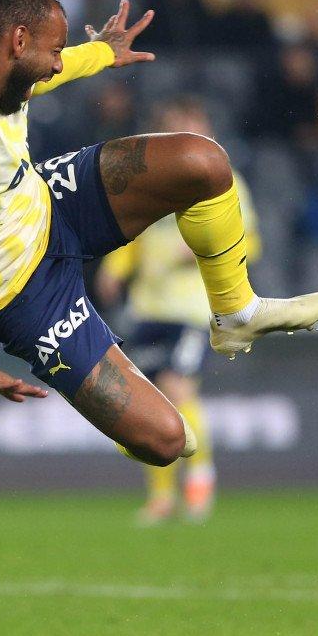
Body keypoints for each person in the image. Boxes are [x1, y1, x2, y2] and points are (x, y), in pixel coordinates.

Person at [0, 0, 318, 467]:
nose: (58, 60)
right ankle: (117, 410)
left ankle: (236, 315)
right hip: (17, 290)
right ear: (18, 39)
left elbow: (33, 75)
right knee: (166, 442)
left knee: (203, 163)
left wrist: (98, 55)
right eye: (55, 50)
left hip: (46, 201)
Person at [98, 97, 259, 523]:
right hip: (148, 307)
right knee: (146, 406)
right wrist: (115, 269)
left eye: (190, 123)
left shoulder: (223, 180)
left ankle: (201, 475)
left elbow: (250, 241)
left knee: (179, 389)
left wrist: (207, 248)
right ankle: (161, 497)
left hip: (191, 308)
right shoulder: (153, 182)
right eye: (174, 125)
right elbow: (135, 236)